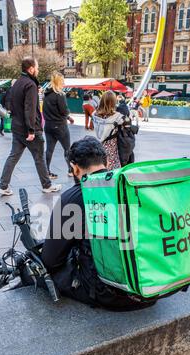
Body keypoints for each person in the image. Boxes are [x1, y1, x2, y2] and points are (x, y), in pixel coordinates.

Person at [41, 137, 153, 311]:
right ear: (107, 161)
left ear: (74, 167)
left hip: (112, 296)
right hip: (150, 287)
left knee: (44, 270)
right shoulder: (130, 187)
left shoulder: (73, 198)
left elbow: (51, 260)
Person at [0, 57, 61, 196]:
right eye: (37, 67)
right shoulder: (30, 85)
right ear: (31, 68)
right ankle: (47, 185)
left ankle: (3, 186)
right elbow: (30, 108)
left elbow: (10, 104)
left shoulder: (17, 83)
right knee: (39, 158)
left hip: (17, 128)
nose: (38, 70)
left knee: (13, 157)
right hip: (30, 130)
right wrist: (31, 129)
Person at [43, 72, 75, 179]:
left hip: (48, 126)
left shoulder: (46, 94)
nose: (64, 83)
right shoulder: (60, 95)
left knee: (49, 150)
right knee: (67, 149)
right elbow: (63, 111)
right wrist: (68, 114)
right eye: (62, 81)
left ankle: (46, 171)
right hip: (60, 126)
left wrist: (68, 117)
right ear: (58, 82)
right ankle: (71, 170)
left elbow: (51, 110)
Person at [93, 90, 124, 170]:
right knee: (112, 172)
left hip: (99, 147)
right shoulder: (117, 117)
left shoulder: (95, 115)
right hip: (112, 149)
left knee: (101, 170)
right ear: (114, 102)